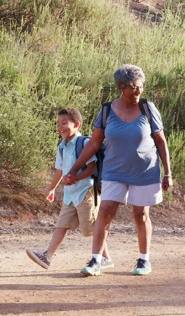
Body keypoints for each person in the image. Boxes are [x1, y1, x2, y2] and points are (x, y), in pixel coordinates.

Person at [63, 64, 172, 277]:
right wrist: (74, 169)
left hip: (144, 170)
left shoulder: (148, 108)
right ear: (121, 87)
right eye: (133, 87)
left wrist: (168, 172)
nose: (138, 91)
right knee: (105, 211)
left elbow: (161, 141)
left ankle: (143, 260)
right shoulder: (106, 111)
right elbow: (94, 144)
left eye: (140, 86)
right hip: (113, 170)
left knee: (140, 214)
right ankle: (96, 260)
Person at [26, 108, 113, 270]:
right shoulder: (62, 146)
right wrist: (52, 188)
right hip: (69, 195)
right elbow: (60, 170)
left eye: (64, 123)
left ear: (77, 124)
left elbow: (90, 169)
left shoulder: (85, 144)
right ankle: (47, 256)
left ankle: (105, 258)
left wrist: (76, 178)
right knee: (62, 225)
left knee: (92, 228)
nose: (60, 127)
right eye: (58, 124)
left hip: (86, 192)